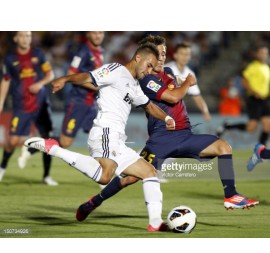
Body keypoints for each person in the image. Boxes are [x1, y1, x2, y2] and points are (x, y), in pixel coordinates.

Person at [74, 34, 259, 230]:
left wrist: (180, 80)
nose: (162, 57)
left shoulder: (168, 71)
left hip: (185, 135)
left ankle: (231, 195)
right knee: (129, 178)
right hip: (161, 140)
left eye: (164, 53)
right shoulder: (146, 79)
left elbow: (173, 82)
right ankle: (94, 202)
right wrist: (188, 81)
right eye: (158, 54)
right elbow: (172, 97)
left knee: (223, 147)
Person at [24, 42, 176, 231]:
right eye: (148, 65)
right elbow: (89, 77)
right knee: (105, 177)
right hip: (105, 131)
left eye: (153, 67)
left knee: (149, 172)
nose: (150, 70)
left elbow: (149, 106)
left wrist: (167, 117)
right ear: (138, 58)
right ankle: (54, 149)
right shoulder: (115, 70)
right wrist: (65, 79)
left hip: (118, 140)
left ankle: (155, 223)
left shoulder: (135, 85)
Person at [18, 31, 105, 169]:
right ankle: (32, 148)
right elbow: (70, 74)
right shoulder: (82, 52)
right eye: (94, 33)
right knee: (65, 142)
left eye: (100, 32)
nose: (98, 36)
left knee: (99, 137)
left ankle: (103, 174)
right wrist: (96, 87)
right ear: (88, 34)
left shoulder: (100, 51)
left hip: (92, 104)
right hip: (78, 102)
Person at [0, 31, 57, 186]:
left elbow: (50, 74)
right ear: (16, 38)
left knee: (47, 138)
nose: (26, 39)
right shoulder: (10, 59)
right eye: (23, 36)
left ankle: (46, 176)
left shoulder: (38, 54)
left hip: (40, 104)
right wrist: (1, 102)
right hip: (21, 106)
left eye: (28, 36)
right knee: (12, 140)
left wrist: (39, 84)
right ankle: (2, 167)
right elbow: (5, 81)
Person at [216, 44, 270, 145]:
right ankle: (227, 126)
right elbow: (243, 80)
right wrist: (254, 92)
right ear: (257, 54)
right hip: (254, 99)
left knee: (267, 126)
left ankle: (259, 151)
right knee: (251, 128)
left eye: (265, 53)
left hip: (265, 99)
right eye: (261, 53)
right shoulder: (253, 66)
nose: (263, 55)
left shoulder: (267, 67)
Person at [165, 42, 212, 121]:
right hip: (161, 112)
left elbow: (196, 96)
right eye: (182, 54)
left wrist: (205, 111)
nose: (185, 56)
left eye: (187, 54)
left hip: (174, 113)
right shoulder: (166, 69)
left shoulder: (190, 74)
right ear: (175, 55)